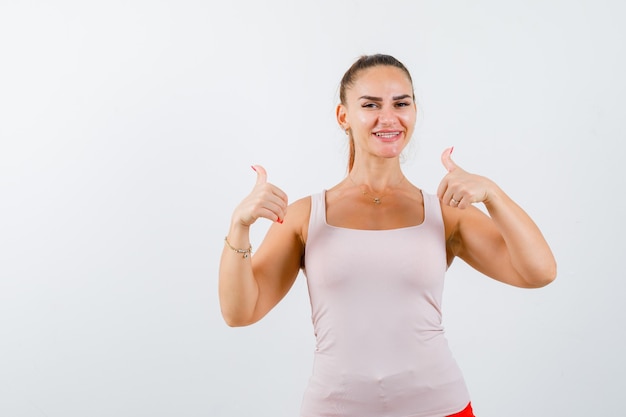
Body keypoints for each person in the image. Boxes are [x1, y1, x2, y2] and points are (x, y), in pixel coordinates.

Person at [218, 54, 557, 417]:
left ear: (414, 111)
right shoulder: (305, 216)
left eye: (401, 103)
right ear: (343, 116)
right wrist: (240, 225)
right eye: (370, 105)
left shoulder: (445, 212)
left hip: (440, 406)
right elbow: (241, 312)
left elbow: (539, 272)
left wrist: (493, 194)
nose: (389, 117)